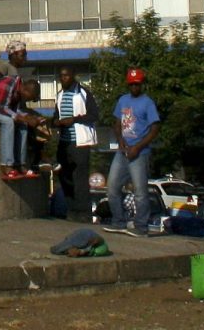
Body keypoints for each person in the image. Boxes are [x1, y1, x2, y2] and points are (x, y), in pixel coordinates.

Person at [106, 67, 160, 234]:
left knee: (140, 192)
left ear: (141, 84)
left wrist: (138, 147)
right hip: (123, 152)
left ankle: (141, 227)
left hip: (139, 153)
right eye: (131, 84)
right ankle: (118, 221)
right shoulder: (123, 100)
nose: (134, 87)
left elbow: (155, 129)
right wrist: (120, 141)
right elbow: (117, 122)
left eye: (137, 84)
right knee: (112, 187)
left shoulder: (148, 103)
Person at [49, 66, 100, 223]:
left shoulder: (83, 93)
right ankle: (71, 208)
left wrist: (74, 119)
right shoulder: (59, 95)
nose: (63, 78)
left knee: (80, 178)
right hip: (64, 142)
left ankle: (83, 212)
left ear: (73, 76)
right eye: (61, 76)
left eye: (66, 76)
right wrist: (56, 122)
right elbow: (56, 116)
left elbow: (94, 115)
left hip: (80, 141)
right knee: (65, 176)